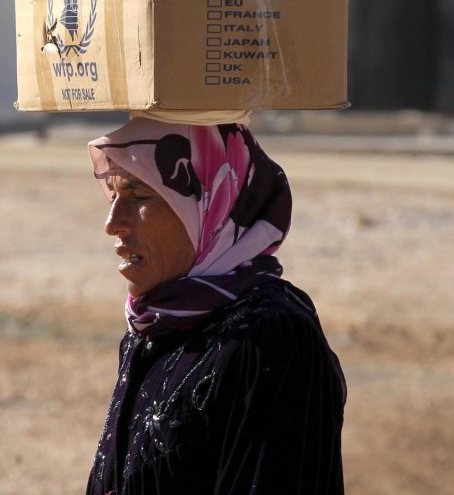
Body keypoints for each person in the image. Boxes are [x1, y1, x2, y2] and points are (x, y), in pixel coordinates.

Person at [83, 116, 346, 495]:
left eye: (139, 195)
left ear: (213, 204)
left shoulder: (268, 339)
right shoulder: (152, 327)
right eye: (112, 194)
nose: (112, 223)